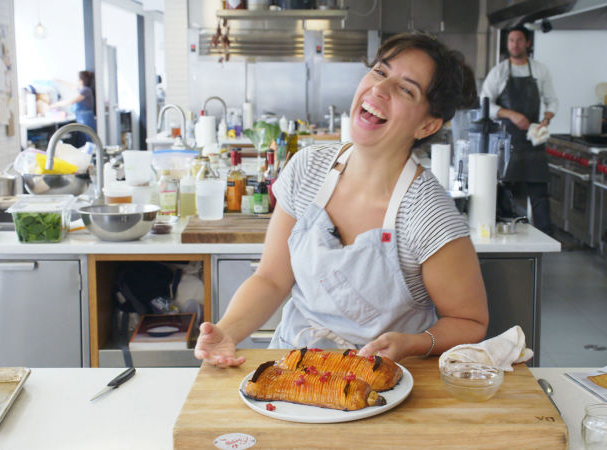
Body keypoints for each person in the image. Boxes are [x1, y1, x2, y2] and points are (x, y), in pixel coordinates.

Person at [195, 32, 489, 367]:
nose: (380, 89)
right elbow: (272, 279)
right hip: (293, 368)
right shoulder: (307, 169)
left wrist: (413, 343)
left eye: (406, 89)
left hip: (381, 383)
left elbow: (470, 321)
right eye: (380, 72)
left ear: (427, 125)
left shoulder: (427, 214)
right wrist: (227, 333)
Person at [480, 25, 558, 236]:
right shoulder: (500, 72)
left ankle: (546, 238)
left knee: (540, 195)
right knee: (504, 192)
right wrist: (511, 114)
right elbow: (485, 103)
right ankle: (503, 233)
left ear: (528, 43)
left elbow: (552, 101)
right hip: (508, 142)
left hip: (534, 142)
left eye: (519, 40)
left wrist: (546, 119)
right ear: (508, 44)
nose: (515, 44)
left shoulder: (540, 70)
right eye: (511, 40)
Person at [51, 70, 96, 146]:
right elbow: (71, 86)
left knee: (89, 140)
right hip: (81, 118)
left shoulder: (86, 91)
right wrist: (59, 81)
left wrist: (55, 105)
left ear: (81, 81)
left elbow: (72, 101)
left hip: (86, 119)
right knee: (84, 140)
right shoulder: (82, 90)